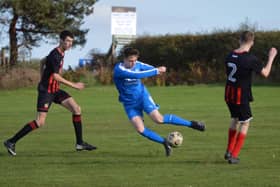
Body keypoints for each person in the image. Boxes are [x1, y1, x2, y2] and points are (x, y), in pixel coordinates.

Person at [4, 30, 97, 156]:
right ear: (61, 40)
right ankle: (11, 141)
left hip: (55, 90)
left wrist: (41, 77)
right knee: (40, 122)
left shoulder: (60, 53)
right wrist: (74, 85)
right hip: (46, 91)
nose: (70, 44)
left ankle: (80, 143)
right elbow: (56, 76)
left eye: (71, 42)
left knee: (76, 109)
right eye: (68, 41)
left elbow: (43, 61)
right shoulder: (55, 55)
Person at [113, 47, 205, 157]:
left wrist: (157, 70)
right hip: (129, 104)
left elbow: (150, 68)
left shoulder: (138, 64)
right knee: (140, 129)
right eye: (130, 60)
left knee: (159, 119)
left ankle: (193, 124)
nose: (133, 63)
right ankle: (165, 142)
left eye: (135, 60)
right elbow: (135, 75)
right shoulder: (119, 69)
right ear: (124, 59)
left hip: (143, 97)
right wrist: (156, 71)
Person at [224, 30, 277, 164]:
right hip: (240, 95)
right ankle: (234, 155)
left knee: (234, 119)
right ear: (252, 42)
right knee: (245, 122)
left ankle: (228, 151)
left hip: (229, 93)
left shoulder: (229, 55)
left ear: (239, 40)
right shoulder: (250, 58)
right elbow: (265, 73)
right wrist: (271, 57)